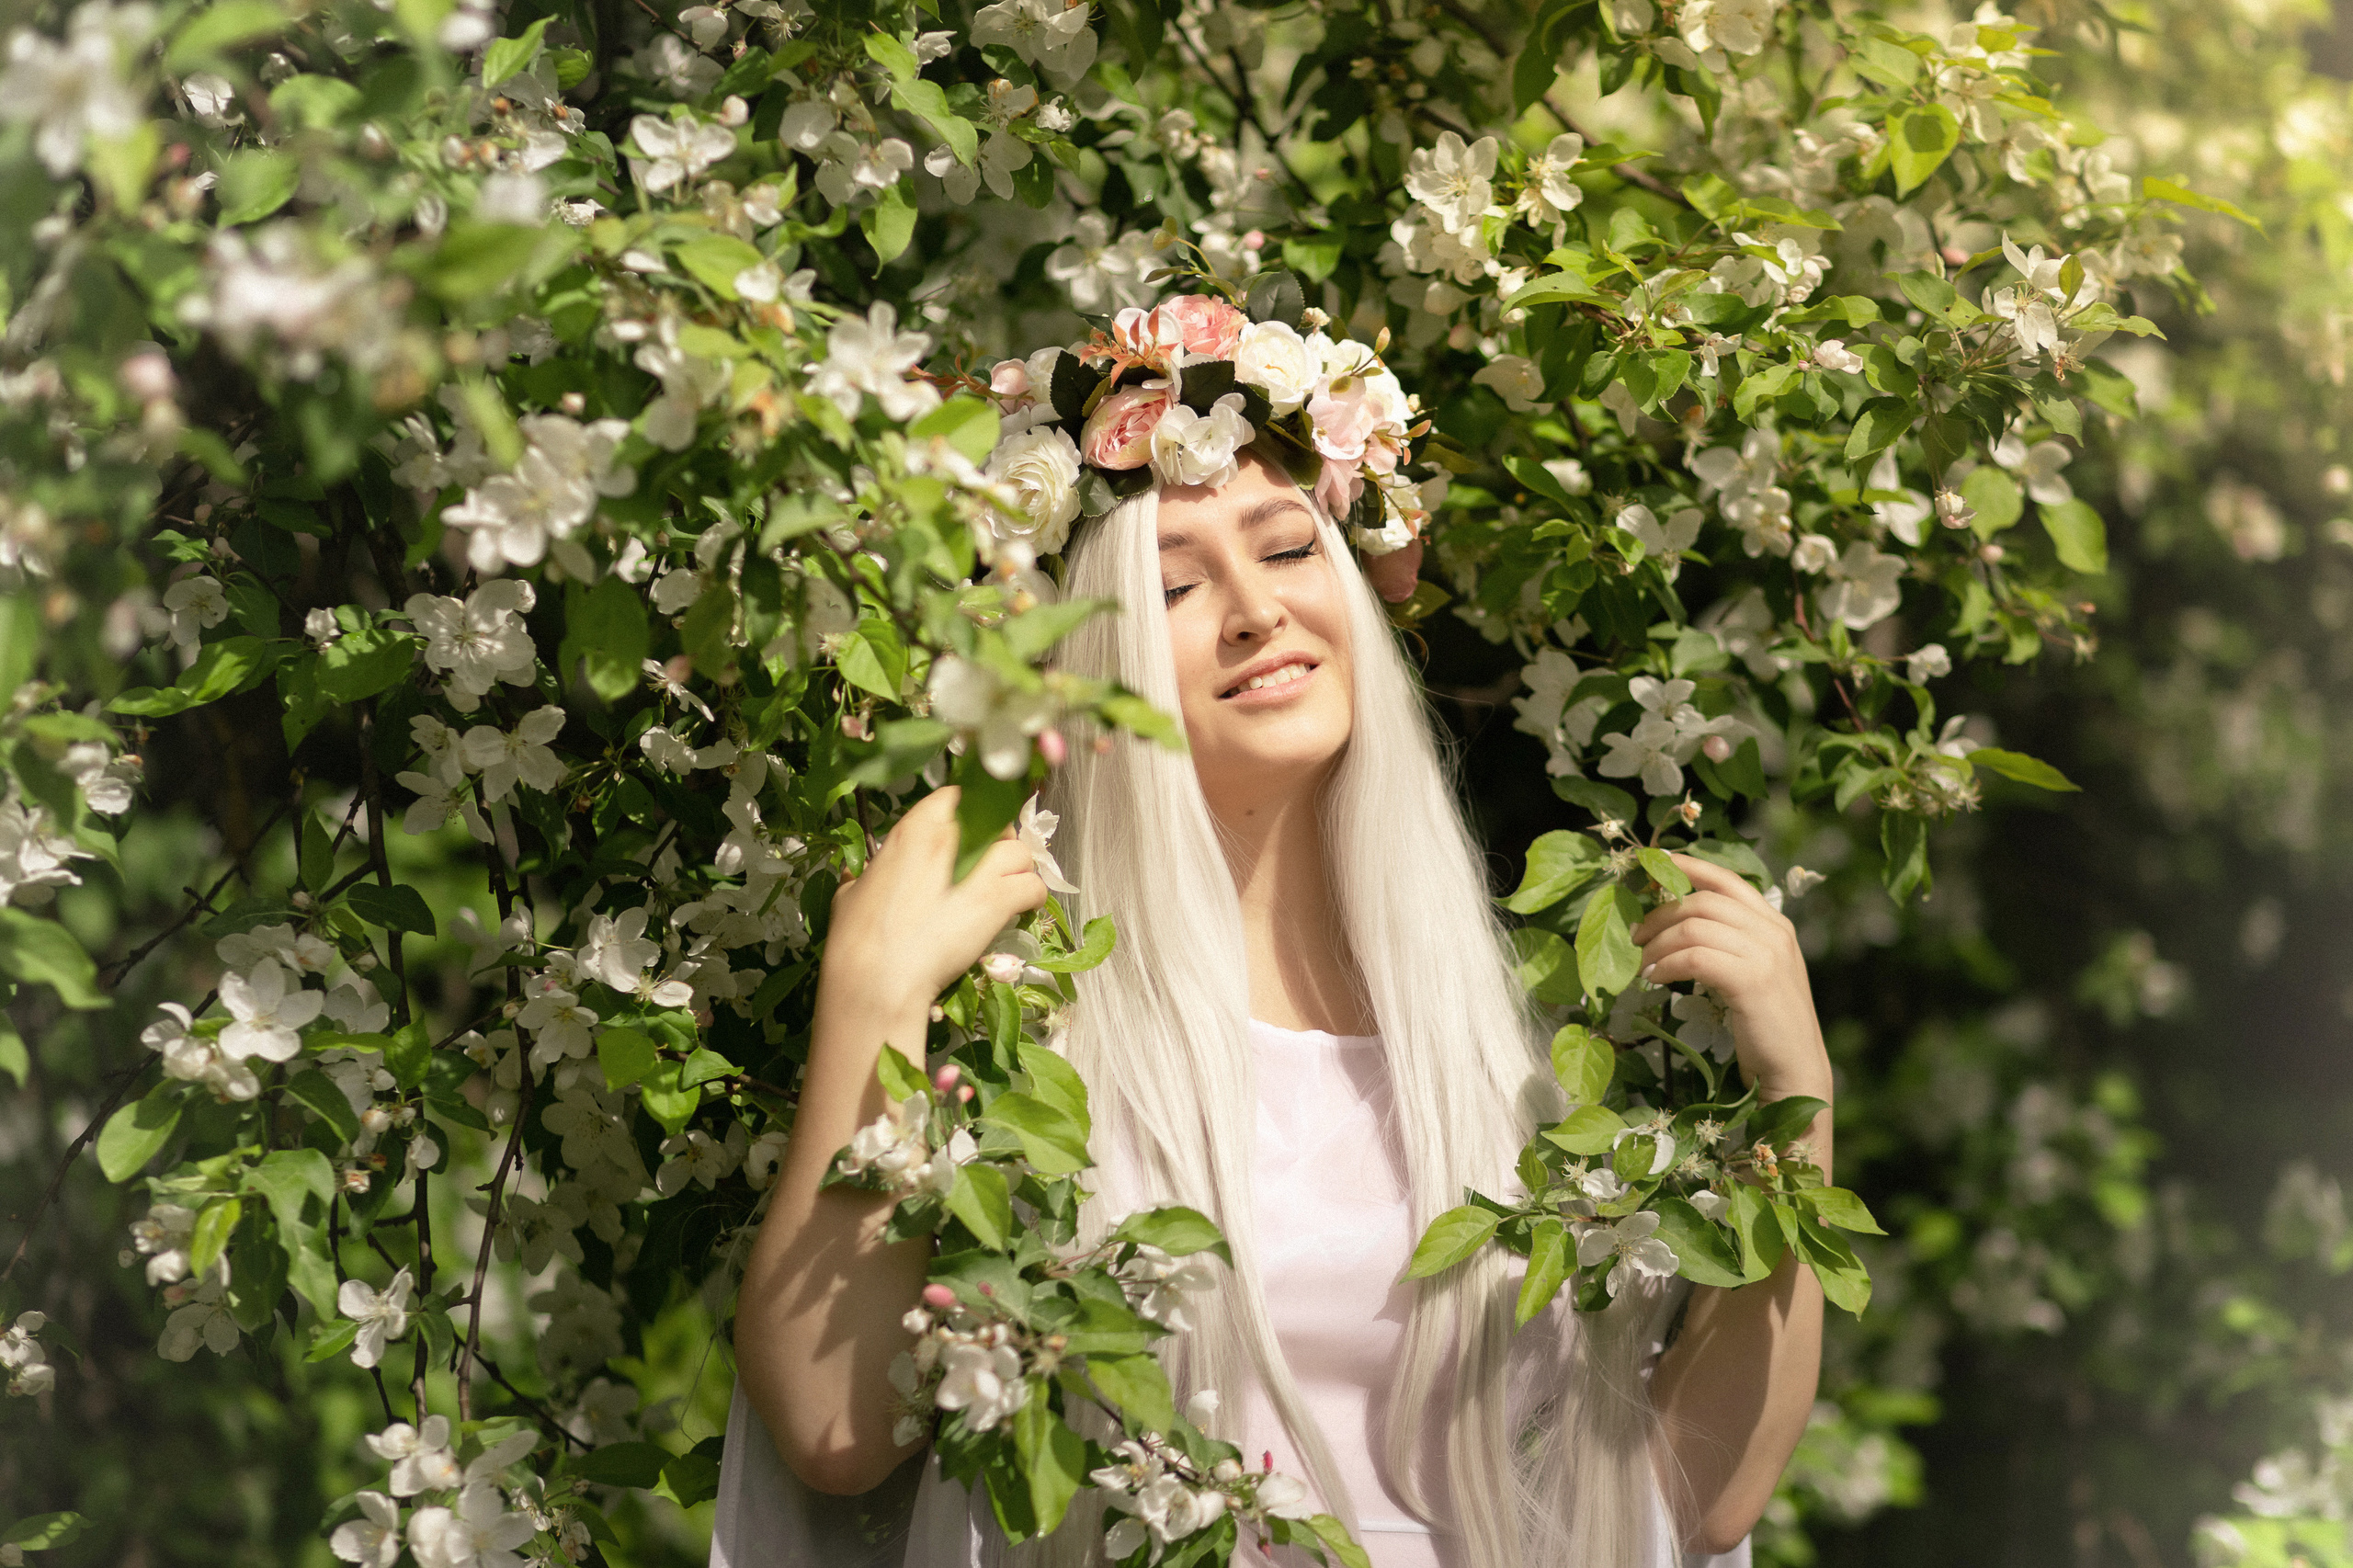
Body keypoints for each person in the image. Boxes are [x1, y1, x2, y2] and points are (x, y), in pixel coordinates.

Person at [718, 437, 1835, 1567]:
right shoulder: (1032, 1025)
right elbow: (836, 1426)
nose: (1255, 610)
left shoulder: (1516, 1047)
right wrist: (873, 993)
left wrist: (1797, 1102)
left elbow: (1690, 1499)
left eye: (1292, 547)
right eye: (1174, 585)